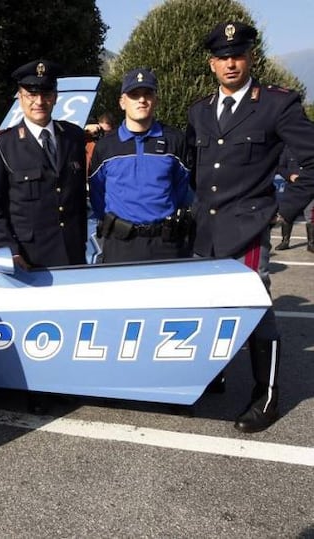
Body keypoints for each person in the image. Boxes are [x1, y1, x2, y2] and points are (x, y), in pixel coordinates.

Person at [186, 21, 314, 433]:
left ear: (250, 57)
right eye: (222, 58)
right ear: (211, 64)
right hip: (205, 232)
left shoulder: (277, 104)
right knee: (209, 308)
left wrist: (284, 211)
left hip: (248, 230)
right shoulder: (200, 110)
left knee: (257, 312)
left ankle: (267, 394)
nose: (230, 63)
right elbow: (195, 169)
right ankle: (215, 375)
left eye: (237, 55)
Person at [0, 59, 87, 270]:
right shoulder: (1, 146)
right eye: (31, 95)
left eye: (46, 94)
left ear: (55, 98)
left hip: (74, 256)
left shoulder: (73, 137)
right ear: (20, 98)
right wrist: (10, 251)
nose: (39, 101)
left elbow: (78, 199)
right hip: (30, 261)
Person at [89, 68, 191, 263]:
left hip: (166, 244)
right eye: (134, 95)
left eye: (147, 94)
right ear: (122, 102)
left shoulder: (175, 140)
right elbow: (98, 195)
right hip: (120, 244)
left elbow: (181, 188)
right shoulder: (105, 146)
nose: (141, 100)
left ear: (156, 100)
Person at [275, 148, 314, 253]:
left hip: (310, 188)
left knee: (310, 215)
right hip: (293, 188)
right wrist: (290, 175)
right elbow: (279, 167)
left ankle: (311, 244)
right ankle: (285, 242)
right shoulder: (288, 149)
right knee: (287, 214)